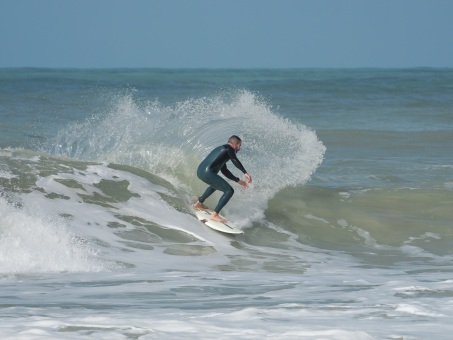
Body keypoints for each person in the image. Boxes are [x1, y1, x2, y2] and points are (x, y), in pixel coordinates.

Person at [193, 135, 252, 223]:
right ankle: (214, 215)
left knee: (215, 185)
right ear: (235, 144)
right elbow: (235, 160)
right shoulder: (229, 149)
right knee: (229, 191)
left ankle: (199, 203)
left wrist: (238, 180)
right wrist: (245, 172)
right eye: (239, 145)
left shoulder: (222, 150)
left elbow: (224, 170)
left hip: (200, 171)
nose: (239, 148)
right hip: (207, 173)